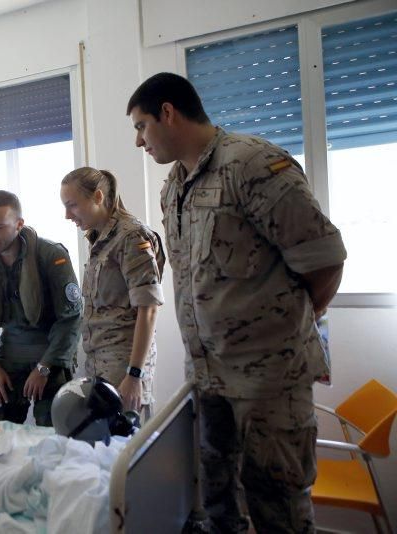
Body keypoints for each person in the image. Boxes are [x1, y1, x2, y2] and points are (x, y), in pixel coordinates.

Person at [127, 72, 346, 533]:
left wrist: (291, 326)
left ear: (168, 113)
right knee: (217, 503)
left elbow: (323, 261)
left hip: (269, 382)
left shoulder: (251, 164)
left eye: (141, 126)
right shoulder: (175, 188)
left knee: (278, 508)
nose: (138, 141)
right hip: (208, 379)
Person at [0, 190, 82, 426]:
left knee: (52, 429)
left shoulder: (52, 256)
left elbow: (71, 318)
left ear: (19, 225)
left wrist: (44, 368)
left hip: (51, 354)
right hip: (9, 355)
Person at [60, 167, 165, 422]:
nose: (67, 215)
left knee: (131, 450)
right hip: (101, 365)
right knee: (108, 450)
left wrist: (135, 374)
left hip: (125, 368)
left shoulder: (131, 236)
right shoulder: (99, 239)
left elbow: (148, 308)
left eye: (72, 205)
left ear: (97, 197)